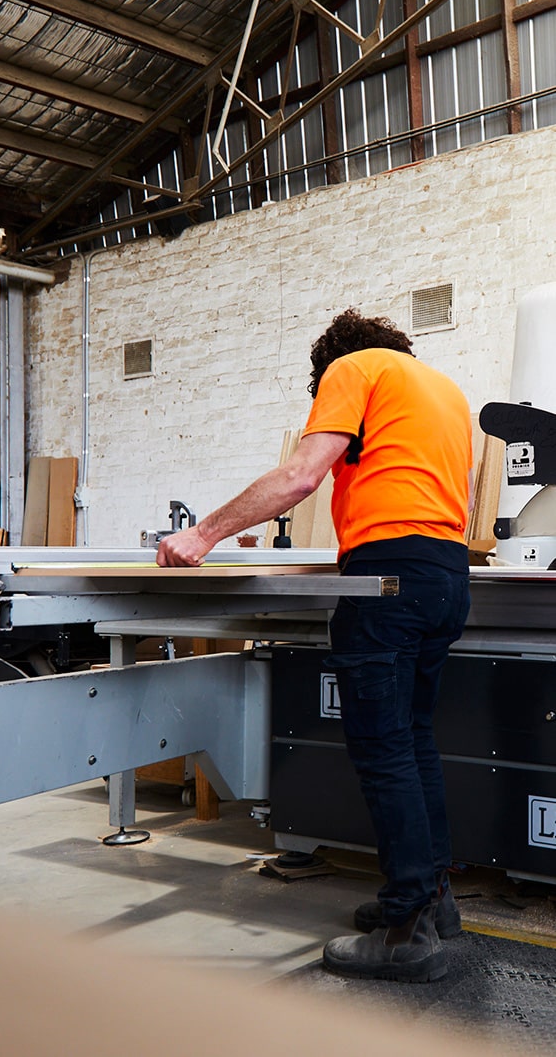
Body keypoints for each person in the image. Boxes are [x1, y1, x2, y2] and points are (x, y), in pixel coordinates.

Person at [156, 308, 472, 984]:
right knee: (414, 741)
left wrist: (202, 534)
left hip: (388, 583)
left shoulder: (351, 369)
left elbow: (302, 475)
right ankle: (433, 899)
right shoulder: (442, 390)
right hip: (446, 575)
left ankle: (406, 929)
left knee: (384, 749)